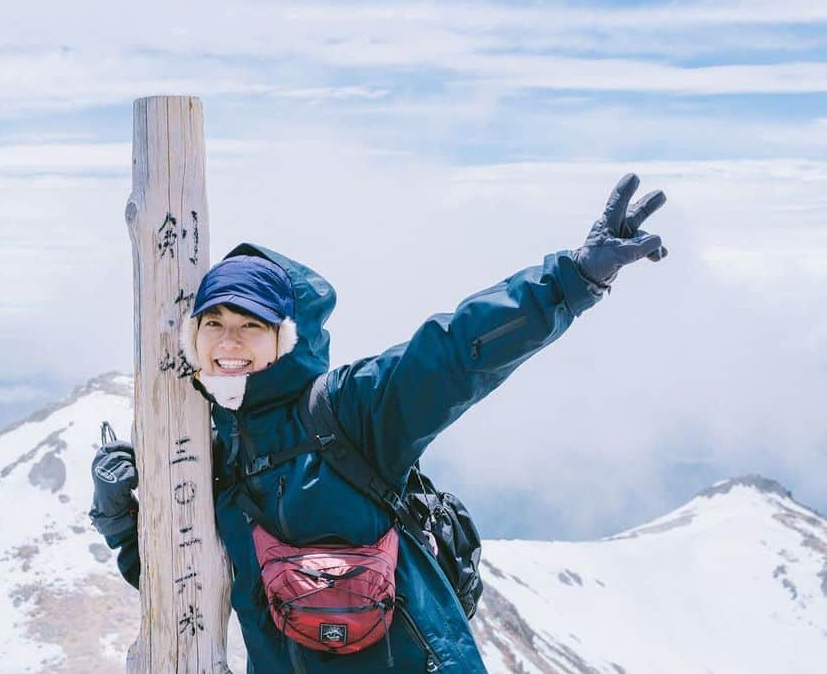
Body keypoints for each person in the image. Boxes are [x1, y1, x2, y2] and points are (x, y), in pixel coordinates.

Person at [90, 174, 667, 673]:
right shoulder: (211, 454)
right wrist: (119, 516)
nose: (229, 341)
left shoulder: (350, 411)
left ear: (284, 337)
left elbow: (456, 351)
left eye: (251, 325)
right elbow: (188, 579)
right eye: (212, 324)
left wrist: (574, 280)